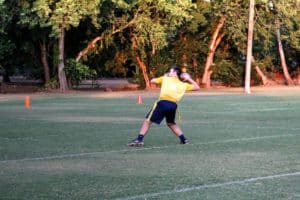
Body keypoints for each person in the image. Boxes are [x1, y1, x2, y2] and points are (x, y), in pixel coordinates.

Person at [128, 66, 200, 147]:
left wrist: (165, 76)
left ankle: (139, 140)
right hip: (173, 105)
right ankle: (184, 140)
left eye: (171, 71)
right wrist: (189, 79)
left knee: (147, 121)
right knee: (171, 123)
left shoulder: (165, 78)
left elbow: (152, 81)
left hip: (163, 103)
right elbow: (197, 87)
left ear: (175, 73)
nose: (169, 72)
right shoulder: (183, 84)